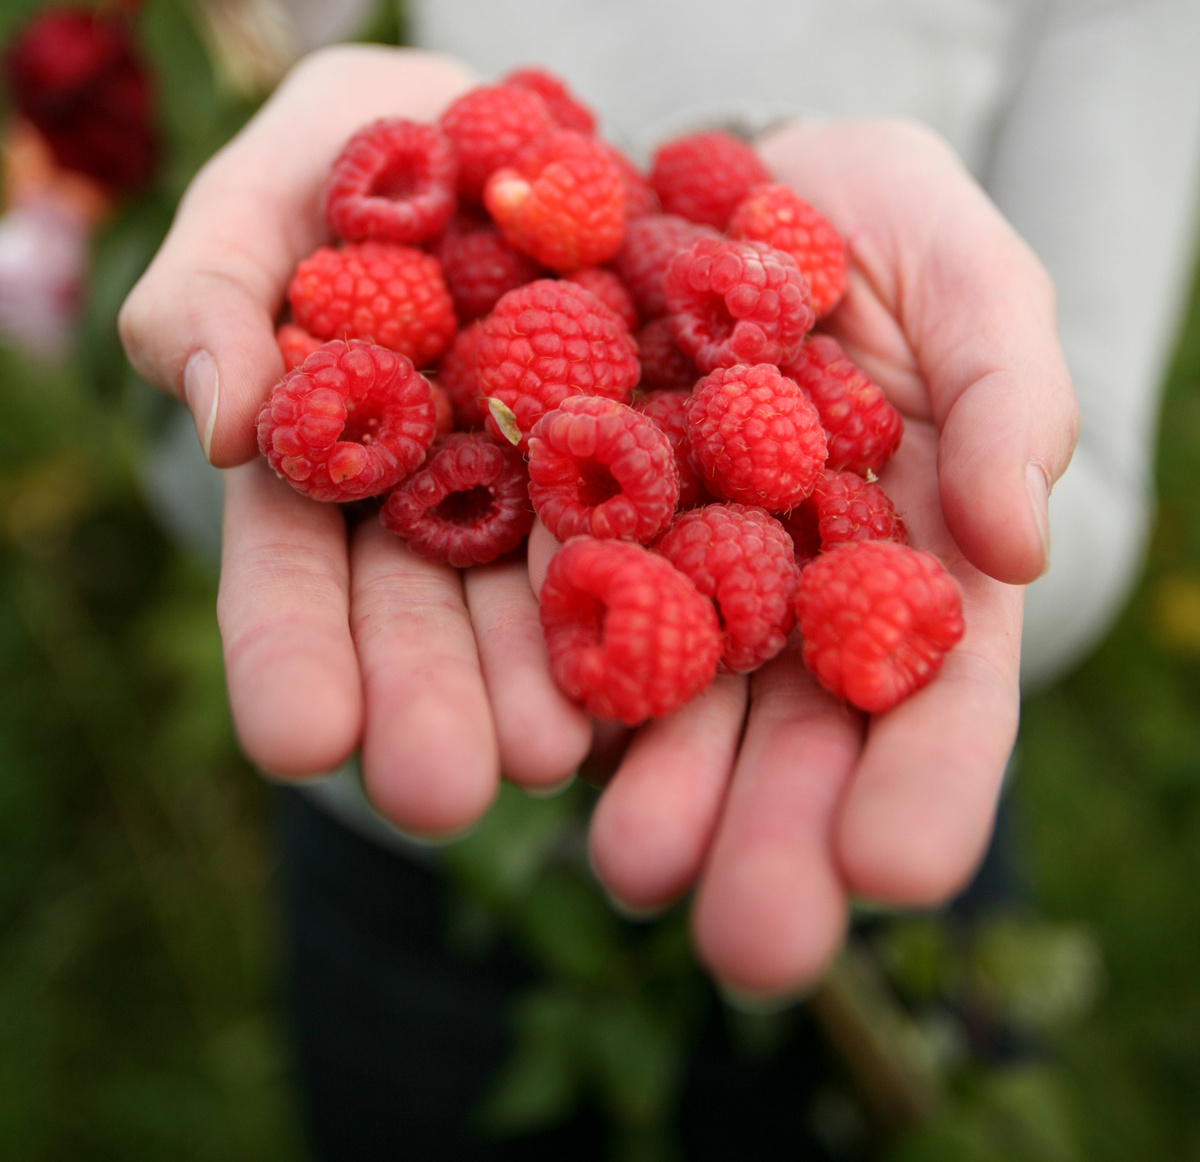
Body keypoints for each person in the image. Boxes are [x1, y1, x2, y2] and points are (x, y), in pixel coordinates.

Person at [117, 0, 1200, 1149]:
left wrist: (982, 539)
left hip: (858, 860)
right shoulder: (475, 298)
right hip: (388, 855)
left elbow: (1084, 487)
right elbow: (214, 437)